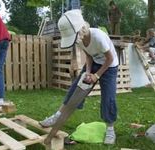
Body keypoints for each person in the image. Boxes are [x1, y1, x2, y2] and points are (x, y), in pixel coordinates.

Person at [40, 9, 119, 144]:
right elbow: (88, 56)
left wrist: (97, 75)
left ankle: (110, 129)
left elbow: (110, 58)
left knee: (108, 98)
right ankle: (57, 116)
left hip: (109, 66)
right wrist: (88, 72)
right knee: (74, 90)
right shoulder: (80, 39)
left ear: (80, 29)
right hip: (93, 63)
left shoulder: (98, 37)